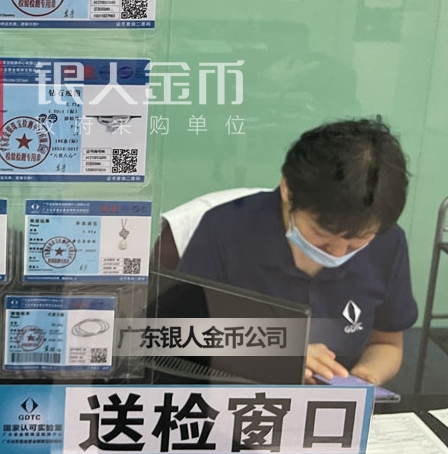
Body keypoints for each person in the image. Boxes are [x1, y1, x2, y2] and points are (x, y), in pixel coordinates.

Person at [175, 118, 418, 385]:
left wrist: (361, 380)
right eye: (322, 233)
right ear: (288, 190)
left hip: (332, 402)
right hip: (237, 397)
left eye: (356, 241)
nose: (337, 252)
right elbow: (175, 336)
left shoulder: (387, 243)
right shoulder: (224, 230)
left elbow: (386, 343)